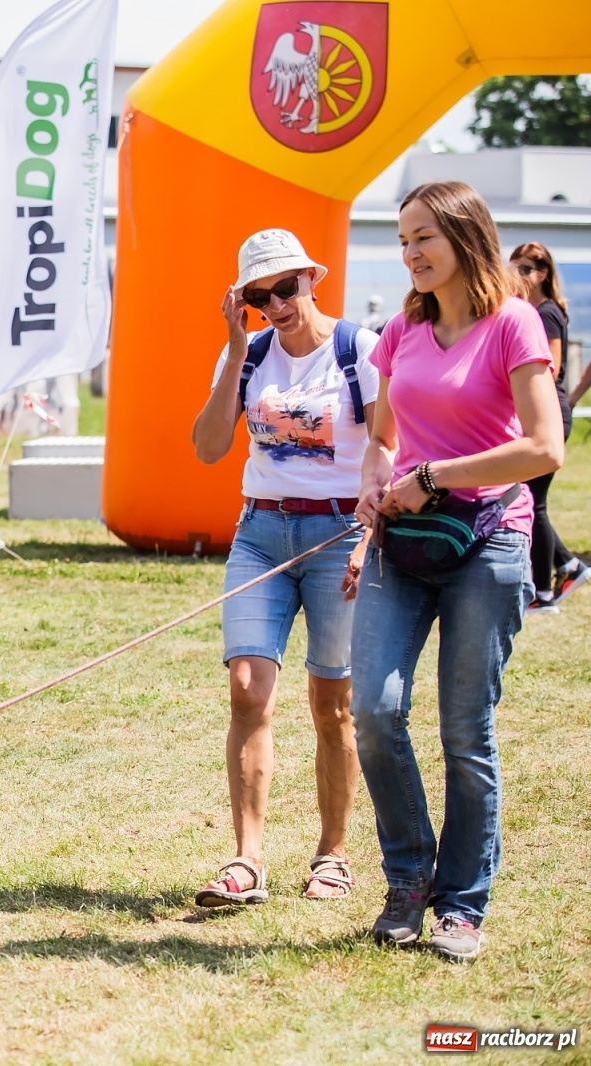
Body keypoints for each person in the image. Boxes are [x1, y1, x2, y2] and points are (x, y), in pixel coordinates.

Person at [353, 181, 563, 961]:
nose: (410, 252)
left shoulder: (514, 323)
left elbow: (544, 447)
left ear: (466, 236)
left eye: (424, 237)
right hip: (404, 543)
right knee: (373, 711)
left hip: (489, 540)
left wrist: (435, 474)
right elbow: (381, 436)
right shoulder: (401, 330)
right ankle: (409, 877)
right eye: (403, 239)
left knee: (465, 731)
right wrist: (375, 480)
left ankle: (462, 907)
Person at [189, 229, 378, 908]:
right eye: (259, 296)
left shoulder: (360, 351)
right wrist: (236, 351)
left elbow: (391, 447)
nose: (276, 304)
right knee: (247, 689)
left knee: (333, 704)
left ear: (310, 279)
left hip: (340, 534)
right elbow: (208, 447)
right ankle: (247, 860)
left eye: (286, 288)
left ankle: (333, 854)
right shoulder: (247, 355)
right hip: (261, 534)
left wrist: (368, 536)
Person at [509, 242, 588, 611]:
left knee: (532, 501)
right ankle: (568, 565)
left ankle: (543, 593)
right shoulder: (533, 311)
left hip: (548, 414)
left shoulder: (546, 313)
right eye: (514, 267)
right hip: (545, 413)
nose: (519, 275)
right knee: (525, 496)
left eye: (526, 269)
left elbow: (549, 368)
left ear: (543, 273)